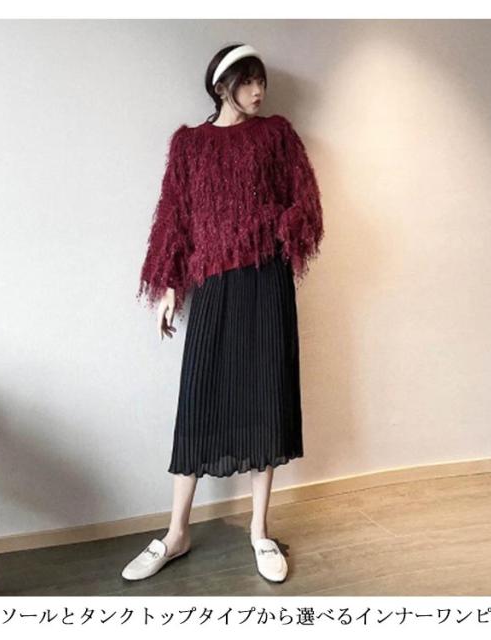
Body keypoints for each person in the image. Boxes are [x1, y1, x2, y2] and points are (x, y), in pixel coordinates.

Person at [124, 43, 324, 584]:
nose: (259, 91)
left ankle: (260, 531)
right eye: (248, 81)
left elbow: (304, 199)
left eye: (262, 81)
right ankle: (177, 533)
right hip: (213, 282)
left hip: (265, 280)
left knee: (266, 394)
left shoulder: (277, 134)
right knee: (199, 399)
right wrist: (170, 285)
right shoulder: (189, 145)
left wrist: (276, 228)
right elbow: (175, 216)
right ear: (221, 87)